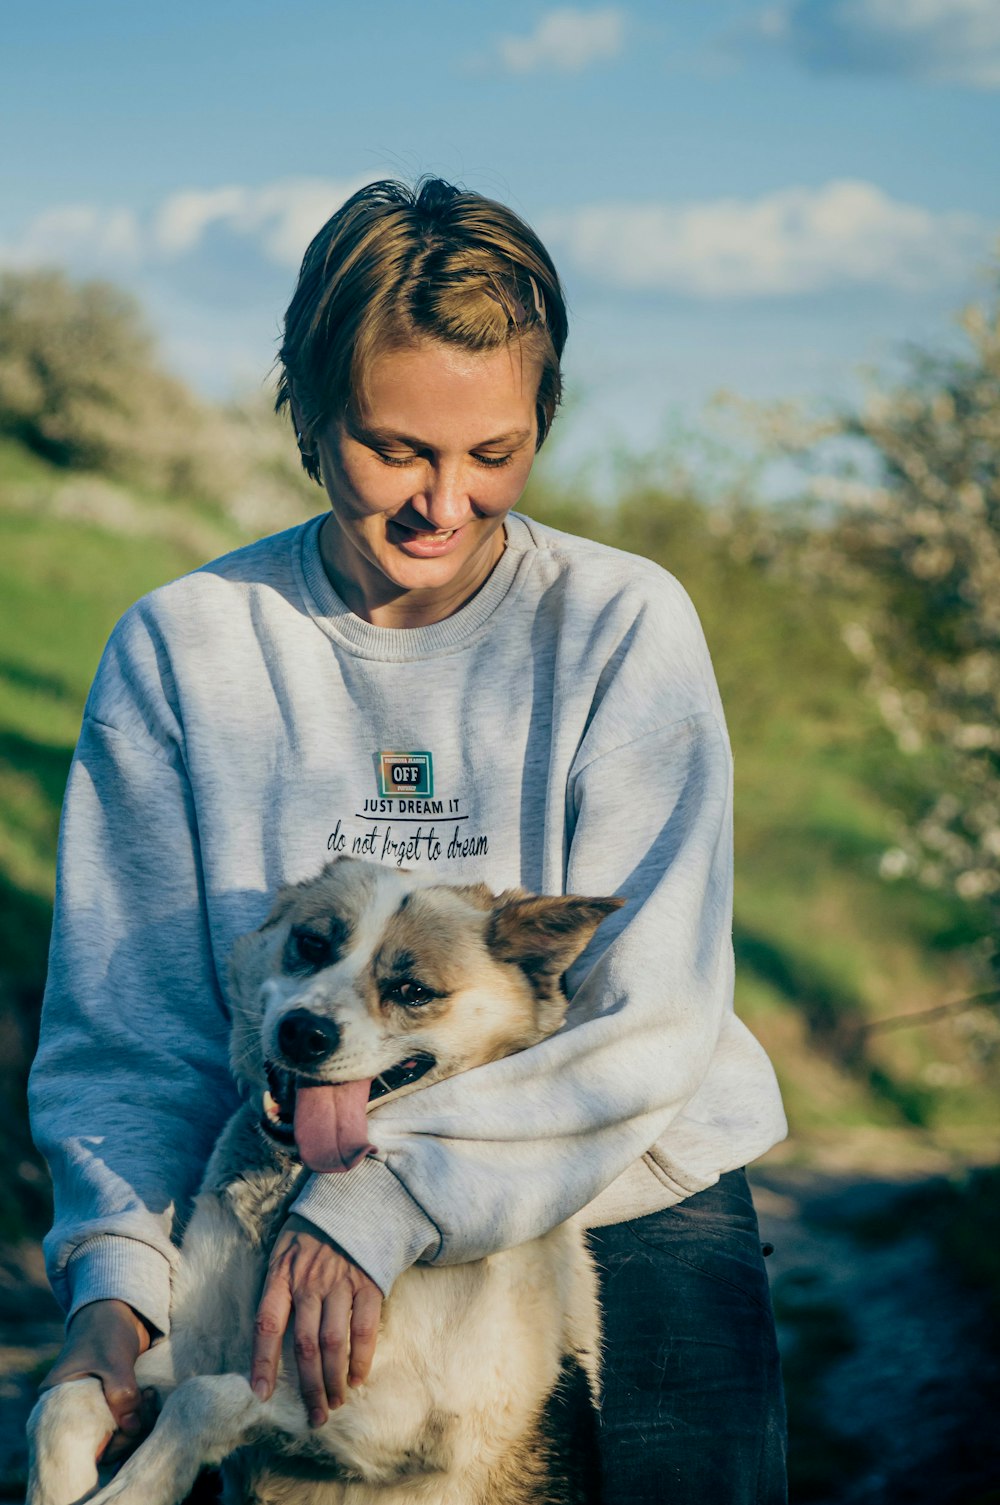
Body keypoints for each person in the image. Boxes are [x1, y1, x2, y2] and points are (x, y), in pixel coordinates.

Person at [30, 177, 789, 1504]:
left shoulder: (622, 625)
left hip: (618, 1192)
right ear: (310, 411)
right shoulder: (182, 650)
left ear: (544, 417)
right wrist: (116, 1294)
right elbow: (128, 1032)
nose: (445, 502)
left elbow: (651, 1017)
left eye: (494, 452)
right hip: (264, 1200)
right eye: (395, 448)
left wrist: (383, 1205)